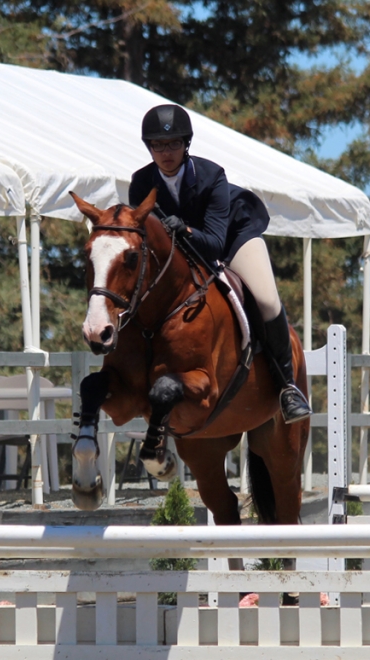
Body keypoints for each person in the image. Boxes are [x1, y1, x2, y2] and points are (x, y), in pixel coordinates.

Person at [128, 104, 312, 423]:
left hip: (232, 236)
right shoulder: (141, 183)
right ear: (149, 147)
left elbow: (214, 244)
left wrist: (183, 229)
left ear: (186, 144)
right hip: (183, 248)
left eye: (173, 144)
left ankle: (287, 387)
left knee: (266, 299)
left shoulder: (211, 176)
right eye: (158, 145)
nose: (166, 152)